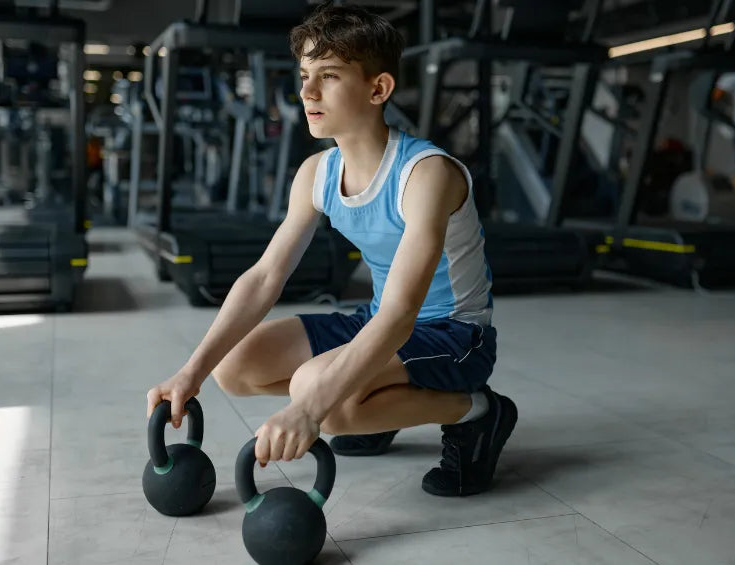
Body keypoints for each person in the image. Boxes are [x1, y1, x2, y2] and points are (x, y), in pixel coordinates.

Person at [145, 1, 517, 497]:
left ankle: (478, 412)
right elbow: (263, 278)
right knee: (234, 369)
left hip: (454, 335)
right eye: (304, 75)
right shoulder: (316, 174)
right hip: (378, 320)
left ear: (377, 88)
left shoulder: (426, 175)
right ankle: (375, 403)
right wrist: (191, 372)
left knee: (328, 404)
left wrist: (309, 409)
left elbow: (403, 314)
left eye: (329, 75)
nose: (307, 91)